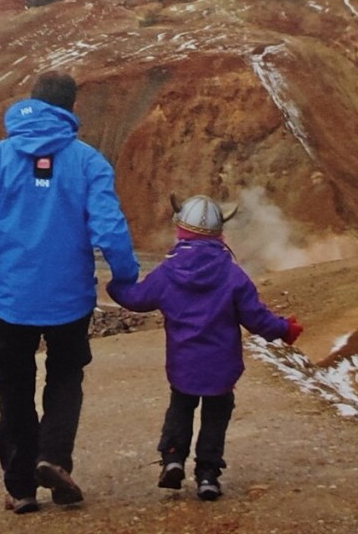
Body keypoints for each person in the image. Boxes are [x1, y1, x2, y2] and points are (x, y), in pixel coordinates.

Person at [0, 71, 140, 514]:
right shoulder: (89, 162)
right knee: (65, 380)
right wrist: (124, 280)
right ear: (71, 109)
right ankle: (53, 458)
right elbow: (110, 229)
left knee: (14, 391)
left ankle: (21, 489)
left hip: (10, 303)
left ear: (32, 102)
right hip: (70, 302)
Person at [106, 194, 303, 501]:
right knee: (216, 414)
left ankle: (172, 458)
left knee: (181, 407)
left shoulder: (168, 272)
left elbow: (137, 299)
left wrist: (113, 285)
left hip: (183, 364)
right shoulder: (233, 274)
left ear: (180, 230)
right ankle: (208, 475)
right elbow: (256, 318)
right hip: (222, 367)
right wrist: (285, 329)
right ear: (218, 233)